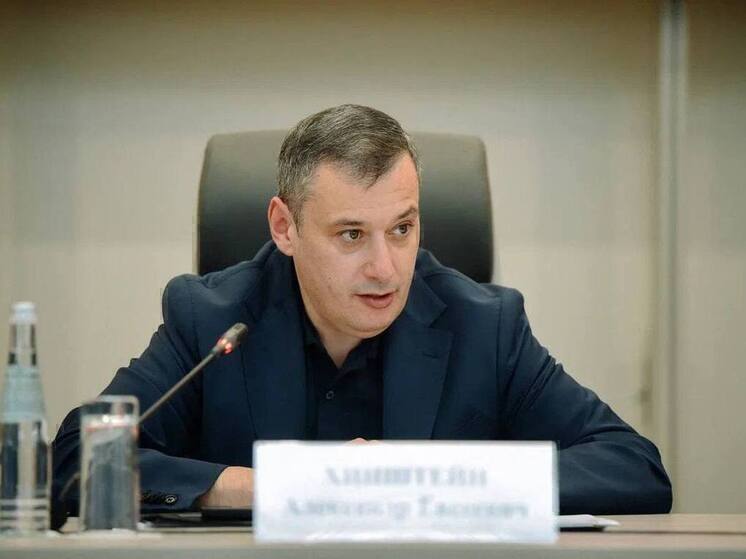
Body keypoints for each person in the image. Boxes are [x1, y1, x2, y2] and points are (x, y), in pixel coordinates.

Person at [52, 104, 672, 521]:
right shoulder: (212, 318)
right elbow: (78, 460)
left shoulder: (484, 325)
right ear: (285, 227)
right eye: (351, 235)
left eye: (402, 229)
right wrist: (278, 484)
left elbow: (633, 466)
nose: (385, 267)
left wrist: (427, 478)